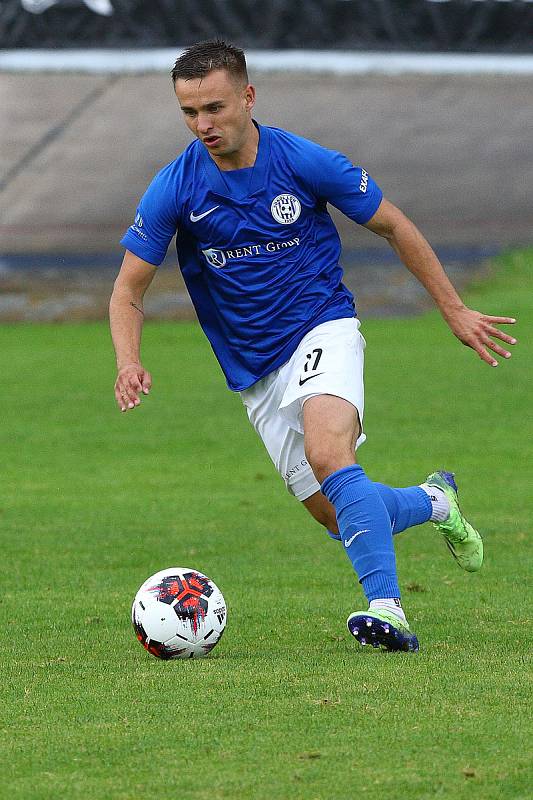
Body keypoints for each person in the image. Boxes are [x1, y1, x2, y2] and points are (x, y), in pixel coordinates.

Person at [110, 40, 517, 652]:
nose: (204, 125)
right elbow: (127, 292)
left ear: (248, 96)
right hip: (255, 370)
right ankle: (434, 502)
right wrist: (129, 360)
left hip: (323, 326)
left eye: (215, 108)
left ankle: (388, 610)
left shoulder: (303, 161)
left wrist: (454, 309)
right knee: (338, 513)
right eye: (190, 113)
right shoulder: (175, 188)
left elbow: (393, 224)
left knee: (331, 454)